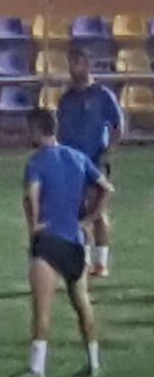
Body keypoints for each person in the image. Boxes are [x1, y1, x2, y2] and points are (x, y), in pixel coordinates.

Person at [19, 109, 113, 377]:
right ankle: (93, 361)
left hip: (48, 241)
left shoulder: (36, 162)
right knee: (82, 303)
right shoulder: (78, 157)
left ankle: (37, 367)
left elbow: (32, 194)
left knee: (42, 307)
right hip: (75, 240)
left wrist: (33, 225)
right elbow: (106, 188)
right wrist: (90, 218)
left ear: (38, 129)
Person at [57, 47, 124, 278]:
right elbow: (60, 130)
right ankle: (82, 259)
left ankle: (101, 262)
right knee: (76, 210)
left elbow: (118, 125)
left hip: (95, 160)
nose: (72, 66)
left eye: (77, 61)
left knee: (98, 210)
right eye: (70, 61)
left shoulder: (102, 94)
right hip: (72, 162)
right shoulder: (66, 98)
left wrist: (108, 152)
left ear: (87, 63)